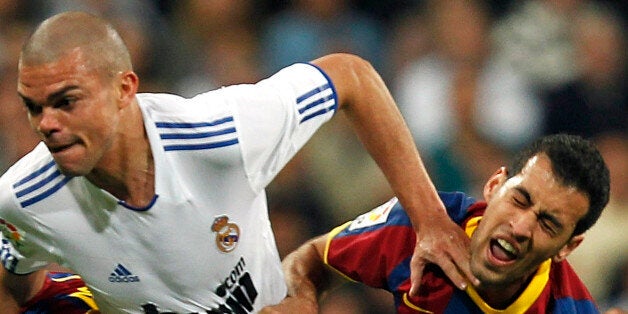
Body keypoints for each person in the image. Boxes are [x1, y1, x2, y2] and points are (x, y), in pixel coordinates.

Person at [0, 11, 477, 313]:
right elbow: (16, 285)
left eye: (66, 101)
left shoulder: (218, 134)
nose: (46, 123)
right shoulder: (22, 198)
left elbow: (351, 76)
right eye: (33, 106)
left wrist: (431, 220)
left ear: (125, 89)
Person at [262, 134, 613, 313]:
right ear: (493, 186)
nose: (520, 227)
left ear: (568, 246)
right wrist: (302, 300)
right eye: (519, 199)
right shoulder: (420, 228)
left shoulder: (569, 308)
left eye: (548, 224)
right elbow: (311, 259)